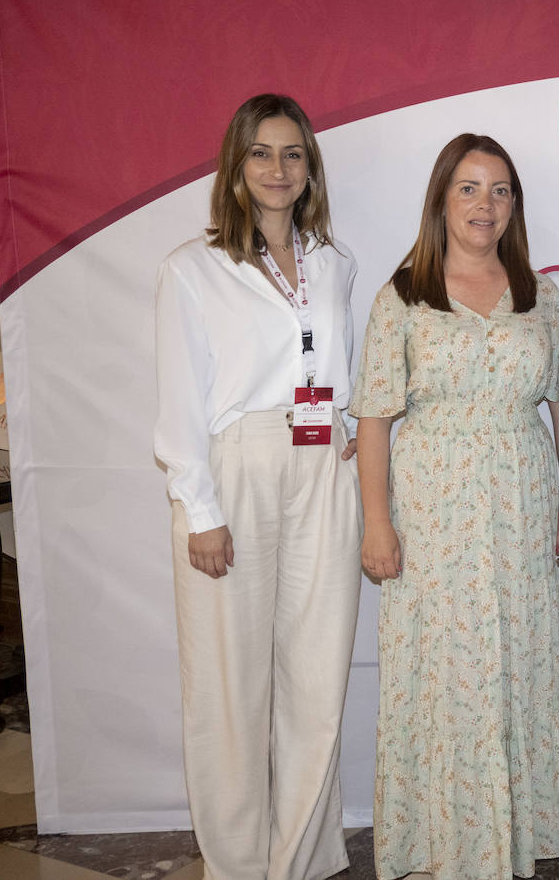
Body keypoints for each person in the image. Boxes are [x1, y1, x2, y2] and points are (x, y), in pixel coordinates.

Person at [350, 134, 559, 880]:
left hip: (517, 510)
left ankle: (513, 834)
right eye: (470, 189)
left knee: (515, 666)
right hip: (431, 517)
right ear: (442, 200)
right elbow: (376, 419)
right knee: (439, 672)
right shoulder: (403, 295)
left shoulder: (539, 293)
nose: (487, 206)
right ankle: (441, 843)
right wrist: (377, 522)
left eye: (502, 190)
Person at [154, 93, 361, 879]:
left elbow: (333, 372)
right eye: (262, 154)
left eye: (293, 154)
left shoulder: (336, 264)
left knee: (317, 675)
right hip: (234, 467)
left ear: (311, 168)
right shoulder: (193, 269)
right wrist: (199, 510)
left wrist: (341, 430)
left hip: (321, 469)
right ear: (236, 167)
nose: (279, 170)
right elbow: (180, 402)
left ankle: (300, 862)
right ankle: (238, 865)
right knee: (229, 685)